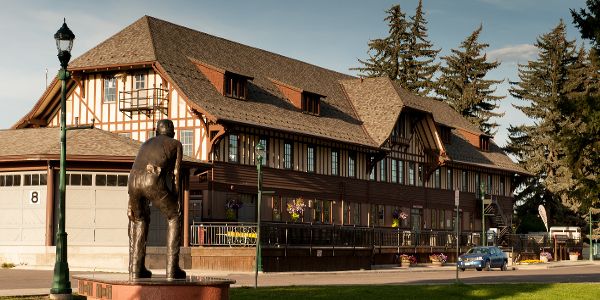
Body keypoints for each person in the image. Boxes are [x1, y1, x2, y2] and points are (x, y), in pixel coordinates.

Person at [127, 119, 186, 280]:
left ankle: (135, 269)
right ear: (172, 132)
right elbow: (176, 173)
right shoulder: (176, 144)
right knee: (174, 216)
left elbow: (135, 167)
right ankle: (172, 270)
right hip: (151, 179)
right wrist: (175, 196)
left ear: (156, 132)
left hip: (132, 181)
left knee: (139, 220)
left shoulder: (145, 143)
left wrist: (130, 201)